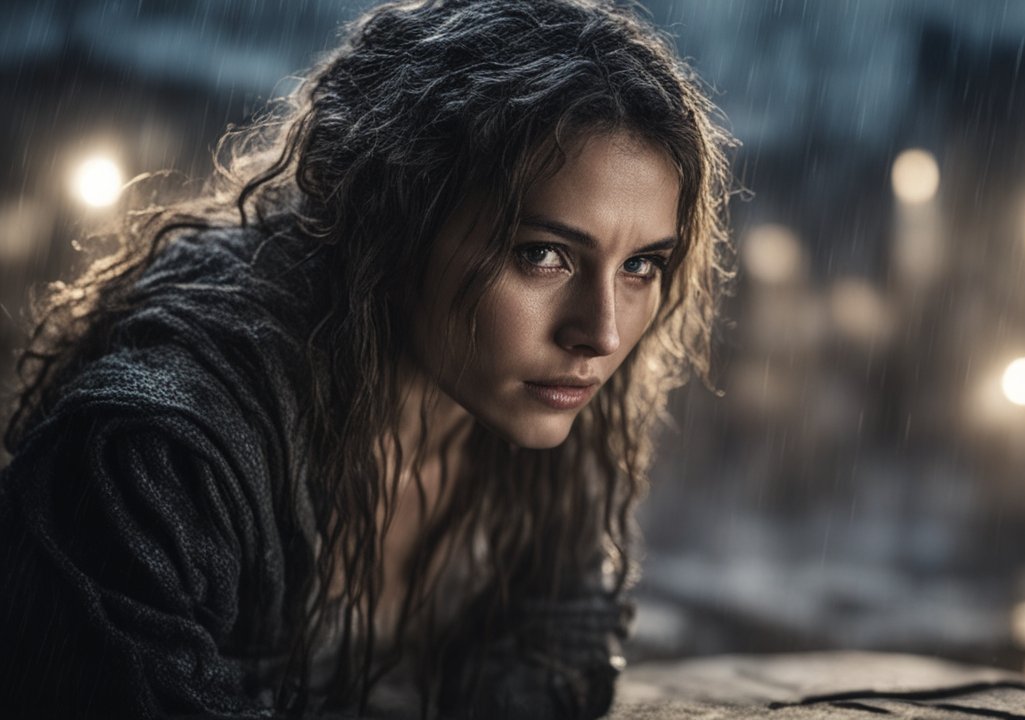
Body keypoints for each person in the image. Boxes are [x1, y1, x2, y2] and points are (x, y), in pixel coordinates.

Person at [0, 0, 735, 717]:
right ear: (394, 222)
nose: (602, 334)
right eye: (543, 254)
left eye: (641, 265)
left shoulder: (546, 437)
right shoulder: (163, 455)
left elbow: (554, 672)